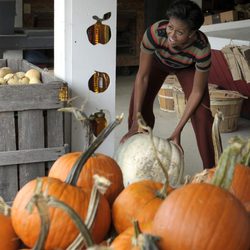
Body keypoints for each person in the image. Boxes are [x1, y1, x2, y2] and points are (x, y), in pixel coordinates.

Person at [121, 0, 215, 169]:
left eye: (179, 32)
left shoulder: (202, 49)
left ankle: (211, 170)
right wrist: (137, 118)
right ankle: (135, 162)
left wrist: (177, 130)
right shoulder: (155, 33)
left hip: (187, 67)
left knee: (203, 114)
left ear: (192, 33)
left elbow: (196, 93)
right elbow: (142, 76)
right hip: (157, 62)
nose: (171, 35)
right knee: (139, 107)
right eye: (170, 27)